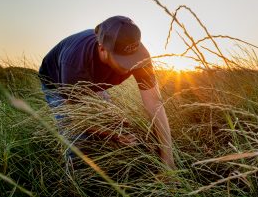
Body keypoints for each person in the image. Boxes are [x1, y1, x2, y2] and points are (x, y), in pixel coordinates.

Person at [38, 15, 175, 169]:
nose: (130, 67)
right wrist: (114, 135)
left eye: (133, 59)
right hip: (56, 82)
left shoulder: (140, 57)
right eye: (123, 61)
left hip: (92, 83)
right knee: (79, 140)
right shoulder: (75, 63)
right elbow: (75, 119)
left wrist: (168, 162)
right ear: (102, 48)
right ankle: (75, 181)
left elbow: (155, 104)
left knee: (115, 123)